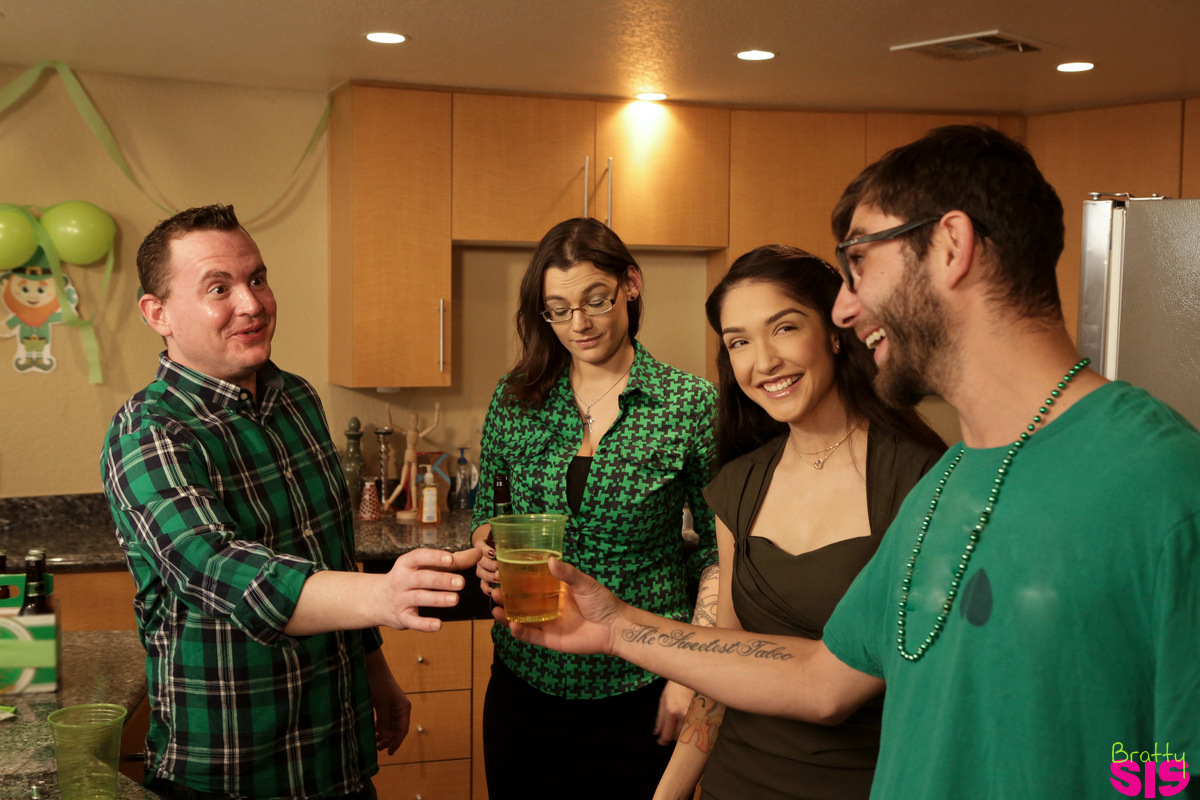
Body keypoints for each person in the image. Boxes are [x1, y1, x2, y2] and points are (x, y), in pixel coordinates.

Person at [501, 127, 1200, 799]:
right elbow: (823, 679)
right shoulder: (951, 482)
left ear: (951, 246)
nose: (842, 306)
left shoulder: (1158, 483)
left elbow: (1171, 768)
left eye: (859, 263)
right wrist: (620, 628)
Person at [101, 204, 481, 800]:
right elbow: (215, 566)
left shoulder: (296, 399)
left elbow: (330, 552)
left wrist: (375, 671)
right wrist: (382, 596)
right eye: (218, 288)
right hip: (232, 766)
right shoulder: (149, 431)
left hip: (334, 754)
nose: (251, 304)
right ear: (158, 314)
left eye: (257, 279)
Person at [654, 245, 945, 800]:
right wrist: (669, 794)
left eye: (783, 328)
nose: (763, 361)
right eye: (739, 342)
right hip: (734, 784)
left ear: (834, 332)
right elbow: (724, 668)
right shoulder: (737, 486)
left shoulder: (920, 479)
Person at [470, 217, 720, 800]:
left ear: (631, 284)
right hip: (525, 681)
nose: (578, 324)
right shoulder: (516, 398)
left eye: (595, 300)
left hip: (642, 687)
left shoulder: (689, 405)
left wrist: (693, 674)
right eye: (558, 310)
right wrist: (489, 551)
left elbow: (719, 553)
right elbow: (488, 515)